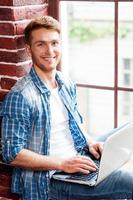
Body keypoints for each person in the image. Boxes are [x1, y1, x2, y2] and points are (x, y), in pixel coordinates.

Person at [1, 15, 133, 200]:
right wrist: (64, 164)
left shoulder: (65, 82)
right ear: (29, 50)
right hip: (51, 179)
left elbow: (75, 122)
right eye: (41, 44)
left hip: (76, 154)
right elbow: (12, 154)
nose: (50, 50)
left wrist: (90, 142)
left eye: (54, 43)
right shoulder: (21, 95)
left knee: (121, 136)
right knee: (129, 182)